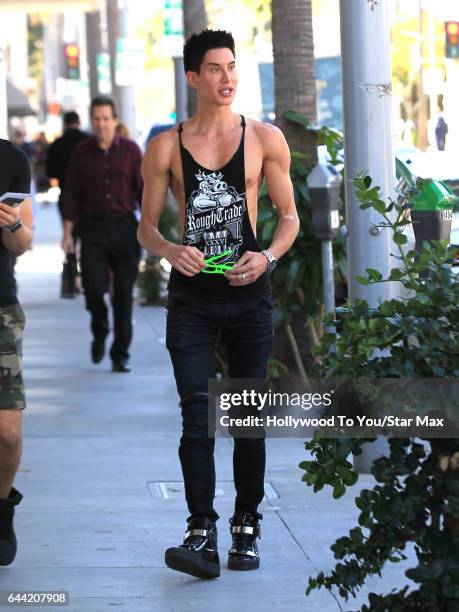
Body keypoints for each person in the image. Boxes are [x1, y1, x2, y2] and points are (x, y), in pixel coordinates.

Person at [138, 29, 299, 579]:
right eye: (214, 68)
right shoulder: (166, 146)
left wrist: (269, 258)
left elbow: (290, 217)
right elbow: (146, 227)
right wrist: (167, 250)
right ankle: (200, 529)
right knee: (197, 416)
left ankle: (246, 526)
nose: (227, 78)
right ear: (193, 78)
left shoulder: (264, 138)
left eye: (232, 67)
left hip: (249, 298)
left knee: (246, 419)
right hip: (192, 302)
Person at [62, 96, 143, 373]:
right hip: (93, 228)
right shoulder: (81, 153)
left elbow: (144, 192)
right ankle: (100, 329)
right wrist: (68, 233)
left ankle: (120, 353)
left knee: (123, 293)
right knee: (94, 290)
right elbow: (70, 193)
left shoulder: (131, 151)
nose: (101, 124)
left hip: (124, 228)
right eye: (96, 119)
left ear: (115, 120)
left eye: (106, 118)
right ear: (91, 120)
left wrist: (151, 228)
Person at [0, 139, 33, 566]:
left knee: (7, 431)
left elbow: (24, 242)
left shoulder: (10, 160)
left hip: (0, 307)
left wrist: (10, 226)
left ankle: (2, 505)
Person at [46, 111, 90, 224]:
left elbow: (50, 171)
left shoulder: (57, 143)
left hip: (66, 191)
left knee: (69, 232)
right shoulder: (89, 141)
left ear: (64, 124)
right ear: (79, 122)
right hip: (89, 193)